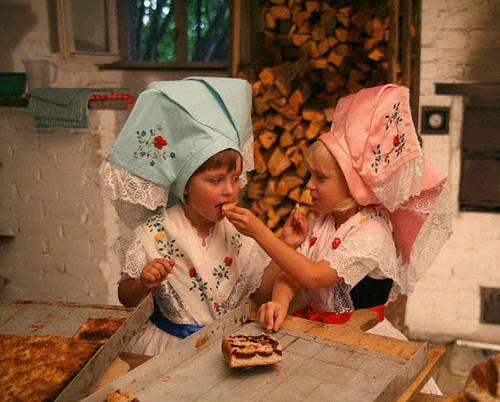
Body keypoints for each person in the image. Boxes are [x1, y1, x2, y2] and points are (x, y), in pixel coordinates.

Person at [224, 84, 452, 393]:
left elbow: (313, 276)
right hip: (320, 334)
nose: (309, 185)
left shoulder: (373, 234)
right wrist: (280, 300)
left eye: (320, 177)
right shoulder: (324, 223)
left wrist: (260, 232)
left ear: (353, 185)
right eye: (310, 174)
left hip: (363, 343)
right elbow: (293, 274)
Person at [99, 77, 281, 356]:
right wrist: (143, 283)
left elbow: (263, 291)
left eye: (235, 178)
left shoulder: (239, 231)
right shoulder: (154, 232)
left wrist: (278, 244)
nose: (230, 190)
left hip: (226, 345)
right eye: (216, 180)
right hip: (167, 348)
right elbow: (125, 297)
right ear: (186, 186)